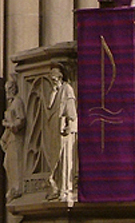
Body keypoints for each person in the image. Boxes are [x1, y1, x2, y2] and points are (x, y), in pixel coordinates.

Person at [47, 66, 78, 202]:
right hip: (54, 131)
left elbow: (71, 112)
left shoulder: (67, 89)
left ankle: (65, 189)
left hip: (66, 131)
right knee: (56, 161)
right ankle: (55, 187)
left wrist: (69, 125)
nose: (53, 81)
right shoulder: (56, 90)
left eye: (54, 78)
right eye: (51, 79)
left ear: (60, 77)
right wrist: (53, 91)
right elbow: (49, 106)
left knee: (65, 160)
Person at [0, 80, 26, 202]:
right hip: (10, 137)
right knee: (7, 164)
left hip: (17, 138)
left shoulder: (17, 102)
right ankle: (13, 187)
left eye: (9, 89)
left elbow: (21, 120)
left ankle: (17, 188)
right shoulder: (12, 104)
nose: (7, 93)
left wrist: (9, 124)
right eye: (6, 90)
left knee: (16, 163)